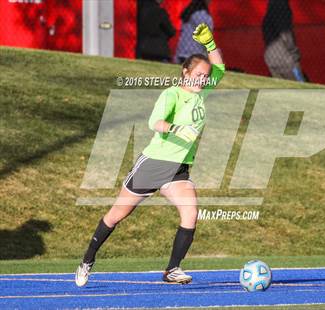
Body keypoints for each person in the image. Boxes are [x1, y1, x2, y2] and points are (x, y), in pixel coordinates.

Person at [75, 23, 225, 286]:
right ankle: (87, 260)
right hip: (154, 163)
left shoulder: (201, 94)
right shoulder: (173, 94)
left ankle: (172, 270)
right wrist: (179, 129)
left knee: (190, 214)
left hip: (179, 168)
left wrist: (210, 44)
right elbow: (154, 122)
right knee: (117, 215)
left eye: (205, 76)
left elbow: (220, 68)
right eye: (199, 74)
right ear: (185, 72)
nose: (203, 79)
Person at [263, 0, 305, 81]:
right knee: (300, 87)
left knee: (283, 89)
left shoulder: (270, 8)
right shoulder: (281, 5)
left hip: (270, 55)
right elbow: (286, 34)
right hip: (284, 54)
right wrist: (294, 53)